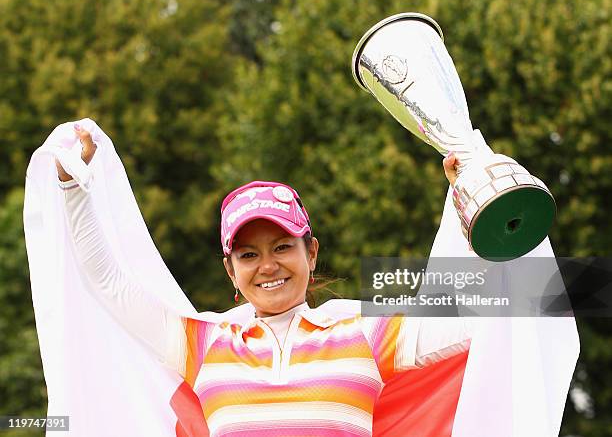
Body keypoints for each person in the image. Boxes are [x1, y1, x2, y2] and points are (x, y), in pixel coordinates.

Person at [26, 119, 578, 437]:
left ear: (311, 252)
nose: (267, 265)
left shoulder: (361, 329)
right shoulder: (203, 342)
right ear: (230, 270)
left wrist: (473, 207)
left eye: (282, 246)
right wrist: (75, 190)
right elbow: (109, 283)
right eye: (248, 254)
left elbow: (471, 314)